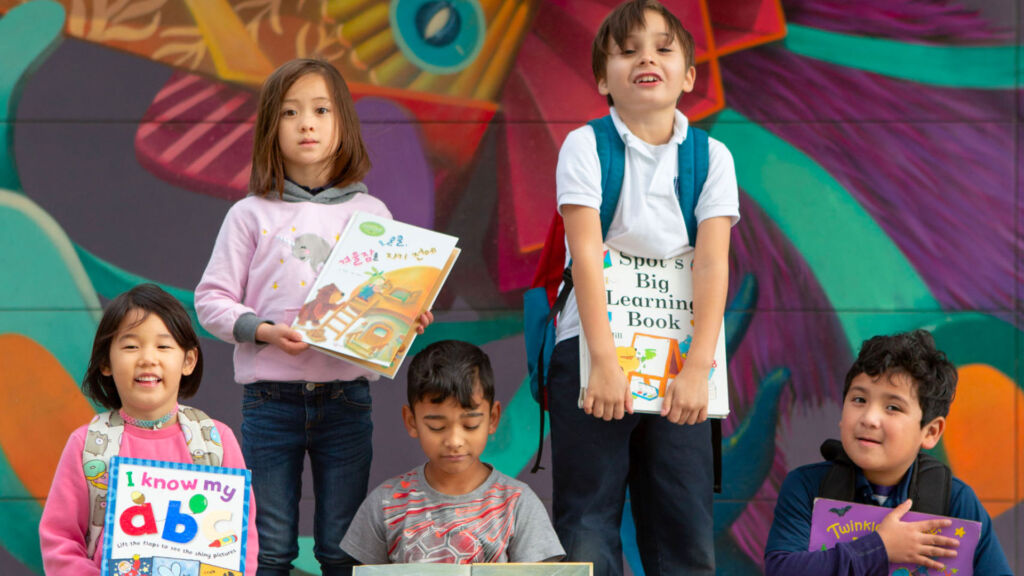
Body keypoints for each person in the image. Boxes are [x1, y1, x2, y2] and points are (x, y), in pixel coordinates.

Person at [194, 58, 432, 576]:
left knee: (341, 549)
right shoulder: (250, 213)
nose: (307, 123)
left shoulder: (372, 215)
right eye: (290, 112)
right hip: (269, 402)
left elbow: (383, 309)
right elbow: (211, 300)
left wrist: (405, 322)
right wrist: (262, 332)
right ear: (269, 129)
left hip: (347, 400)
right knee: (271, 547)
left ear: (343, 123)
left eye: (321, 110)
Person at [548, 0, 739, 574]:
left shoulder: (713, 157)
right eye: (627, 51)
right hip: (593, 350)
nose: (645, 59)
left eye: (662, 49)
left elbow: (712, 265)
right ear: (603, 78)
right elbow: (585, 256)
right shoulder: (585, 146)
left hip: (682, 365)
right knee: (587, 521)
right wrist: (603, 364)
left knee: (684, 526)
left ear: (689, 75)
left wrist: (697, 370)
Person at [38, 283, 258, 575]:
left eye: (163, 346)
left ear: (188, 360)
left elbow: (242, 538)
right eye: (131, 346)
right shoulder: (88, 444)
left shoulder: (215, 440)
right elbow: (60, 541)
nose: (147, 359)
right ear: (106, 362)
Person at [764, 330, 1012, 575]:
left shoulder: (955, 501)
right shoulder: (807, 487)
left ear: (930, 432)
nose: (869, 418)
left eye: (893, 407)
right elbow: (782, 569)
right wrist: (879, 548)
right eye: (859, 400)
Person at [341, 340, 565, 564]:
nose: (454, 441)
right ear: (411, 421)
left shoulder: (518, 504)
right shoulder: (386, 504)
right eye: (437, 427)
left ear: (493, 418)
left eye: (470, 425)